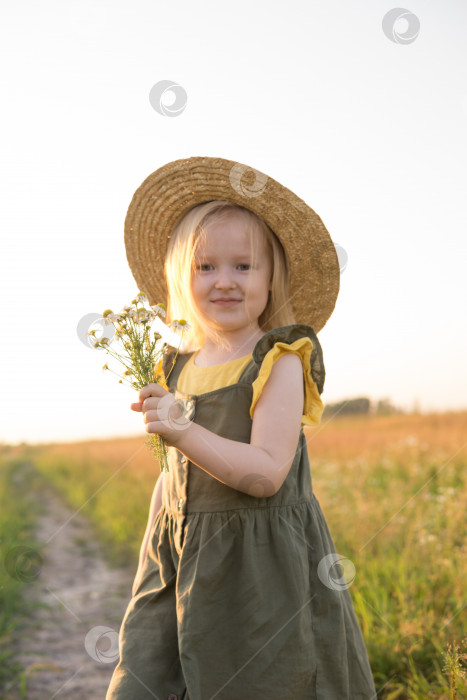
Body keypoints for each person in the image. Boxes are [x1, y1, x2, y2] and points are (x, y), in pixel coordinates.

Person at [106, 156, 377, 700]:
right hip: (180, 556)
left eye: (244, 267)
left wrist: (183, 431)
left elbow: (266, 474)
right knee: (147, 676)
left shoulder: (278, 359)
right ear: (182, 277)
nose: (224, 281)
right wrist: (155, 551)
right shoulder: (174, 366)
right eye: (206, 267)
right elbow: (172, 476)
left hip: (261, 571)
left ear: (271, 275)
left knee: (260, 678)